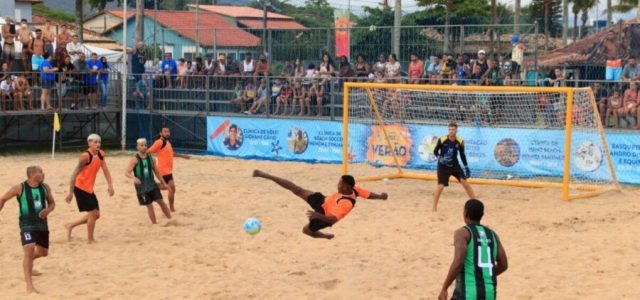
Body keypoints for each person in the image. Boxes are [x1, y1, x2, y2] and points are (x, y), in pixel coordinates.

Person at [252, 170, 388, 239]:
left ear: (346, 187)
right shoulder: (355, 189)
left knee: (306, 231)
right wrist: (381, 197)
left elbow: (332, 219)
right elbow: (370, 195)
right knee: (297, 190)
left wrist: (317, 215)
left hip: (324, 216)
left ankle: (325, 236)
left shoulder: (346, 204)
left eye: (340, 183)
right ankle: (265, 175)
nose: (337, 184)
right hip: (324, 201)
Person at [438, 199, 508, 300]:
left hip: (468, 293)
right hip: (490, 293)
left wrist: (444, 288)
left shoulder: (463, 233)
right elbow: (504, 265)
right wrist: (484, 275)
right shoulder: (493, 235)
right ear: (481, 215)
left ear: (465, 214)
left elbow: (458, 263)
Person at [0, 166, 56, 294]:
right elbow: (3, 199)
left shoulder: (45, 187)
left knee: (43, 252)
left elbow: (52, 203)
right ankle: (29, 286)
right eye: (40, 172)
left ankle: (29, 261)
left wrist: (48, 210)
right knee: (29, 250)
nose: (43, 173)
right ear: (32, 174)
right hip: (26, 225)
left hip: (42, 225)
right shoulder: (20, 188)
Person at [64, 134, 115, 243]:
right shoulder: (85, 157)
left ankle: (71, 225)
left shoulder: (101, 154)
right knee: (93, 213)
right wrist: (70, 193)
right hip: (80, 188)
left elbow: (105, 170)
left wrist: (110, 185)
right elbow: (74, 175)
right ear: (89, 143)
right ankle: (90, 239)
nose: (98, 144)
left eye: (99, 142)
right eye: (95, 142)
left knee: (96, 215)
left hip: (89, 188)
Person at [125, 138, 171, 224]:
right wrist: (133, 178)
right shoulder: (135, 159)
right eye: (141, 145)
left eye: (145, 145)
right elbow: (127, 172)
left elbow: (157, 172)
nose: (144, 147)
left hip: (152, 185)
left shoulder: (151, 158)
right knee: (150, 206)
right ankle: (154, 224)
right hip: (141, 188)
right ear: (137, 147)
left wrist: (164, 183)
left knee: (161, 201)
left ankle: (170, 219)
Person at [432, 123, 475, 212]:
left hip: (454, 165)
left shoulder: (460, 141)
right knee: (440, 186)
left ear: (456, 130)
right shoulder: (442, 139)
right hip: (443, 166)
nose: (451, 131)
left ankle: (475, 202)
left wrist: (466, 166)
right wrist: (440, 158)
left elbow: (462, 154)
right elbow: (435, 151)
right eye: (449, 129)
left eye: (453, 130)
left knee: (464, 182)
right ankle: (434, 208)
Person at [148, 126, 191, 212]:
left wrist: (183, 156)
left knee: (171, 189)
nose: (167, 133)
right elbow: (148, 151)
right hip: (163, 170)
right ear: (161, 133)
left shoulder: (167, 143)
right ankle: (152, 187)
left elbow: (172, 154)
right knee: (171, 188)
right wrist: (150, 161)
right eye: (165, 132)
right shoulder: (159, 142)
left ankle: (171, 207)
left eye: (168, 131)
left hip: (168, 170)